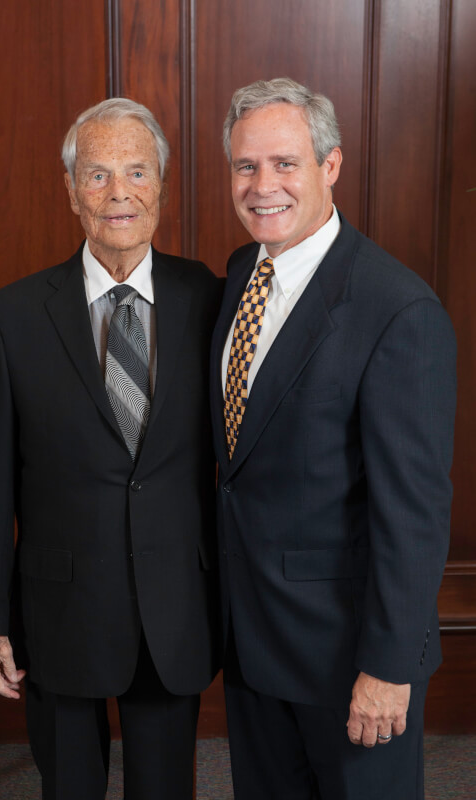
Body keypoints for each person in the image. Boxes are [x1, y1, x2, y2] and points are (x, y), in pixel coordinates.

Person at [0, 97, 221, 800]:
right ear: (72, 189)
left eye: (137, 172)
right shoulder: (10, 317)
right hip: (58, 611)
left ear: (161, 186)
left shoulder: (210, 298)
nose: (119, 193)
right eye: (98, 174)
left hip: (175, 607)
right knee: (69, 789)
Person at [210, 77, 456, 800]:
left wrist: (388, 669)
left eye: (284, 163)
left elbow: (413, 514)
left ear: (330, 166)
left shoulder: (397, 309)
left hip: (350, 665)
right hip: (253, 646)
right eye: (245, 166)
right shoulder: (239, 275)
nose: (263, 186)